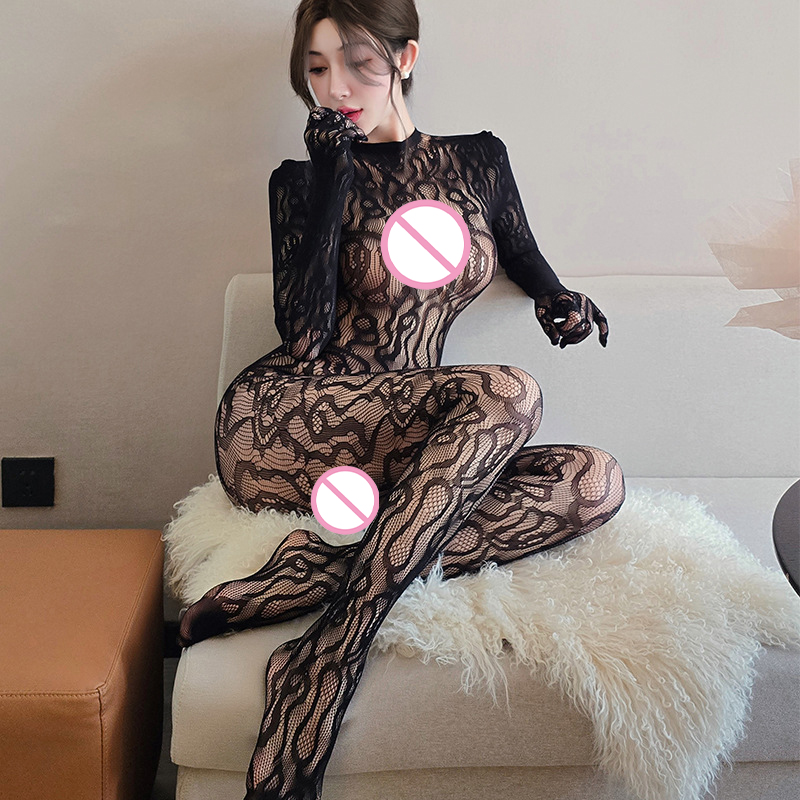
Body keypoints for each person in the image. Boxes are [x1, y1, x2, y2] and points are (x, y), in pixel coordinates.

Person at [178, 1, 626, 797]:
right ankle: (330, 653)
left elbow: (521, 251)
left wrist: (560, 300)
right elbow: (306, 336)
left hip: (405, 442)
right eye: (317, 68)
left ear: (405, 58)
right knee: (511, 393)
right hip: (289, 421)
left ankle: (316, 572)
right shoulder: (299, 182)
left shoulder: (478, 159)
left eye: (357, 63)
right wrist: (333, 177)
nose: (336, 87)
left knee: (595, 480)